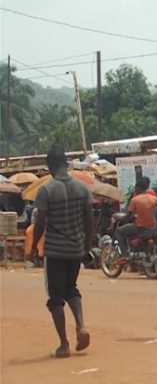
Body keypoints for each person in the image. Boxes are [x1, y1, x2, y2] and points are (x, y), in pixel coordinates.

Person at [30, 145, 94, 358]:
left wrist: (33, 247)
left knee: (55, 298)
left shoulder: (46, 190)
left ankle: (64, 344)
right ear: (66, 164)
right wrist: (87, 245)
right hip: (76, 249)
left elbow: (40, 223)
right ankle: (81, 325)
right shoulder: (82, 188)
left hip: (55, 251)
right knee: (71, 288)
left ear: (49, 167)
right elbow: (89, 219)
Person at [114, 176, 157, 256]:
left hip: (140, 227)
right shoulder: (153, 198)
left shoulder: (135, 200)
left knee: (119, 232)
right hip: (153, 227)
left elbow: (127, 217)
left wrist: (118, 217)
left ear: (137, 187)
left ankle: (125, 254)